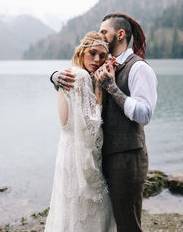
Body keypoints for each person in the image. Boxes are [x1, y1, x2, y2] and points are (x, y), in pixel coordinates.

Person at [50, 12, 157, 232]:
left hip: (126, 158)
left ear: (120, 35)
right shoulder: (99, 65)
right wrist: (54, 76)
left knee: (128, 224)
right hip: (99, 160)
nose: (99, 35)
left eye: (104, 32)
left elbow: (144, 114)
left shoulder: (139, 68)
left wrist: (112, 87)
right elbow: (77, 93)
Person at [45, 31, 117, 232]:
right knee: (93, 211)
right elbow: (92, 125)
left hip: (66, 151)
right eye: (92, 53)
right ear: (82, 51)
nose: (97, 59)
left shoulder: (69, 72)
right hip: (79, 155)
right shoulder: (83, 77)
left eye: (102, 56)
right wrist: (101, 90)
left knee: (68, 208)